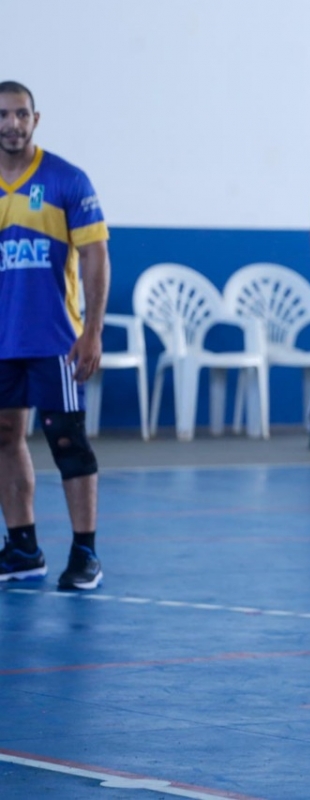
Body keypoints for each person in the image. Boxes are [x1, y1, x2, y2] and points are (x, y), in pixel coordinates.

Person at [0, 81, 110, 591]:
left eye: (21, 114)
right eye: (3, 115)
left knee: (67, 441)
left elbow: (95, 256)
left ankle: (85, 552)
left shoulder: (67, 179)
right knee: (4, 436)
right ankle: (23, 549)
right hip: (3, 342)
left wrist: (92, 331)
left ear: (35, 119)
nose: (12, 124)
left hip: (56, 340)